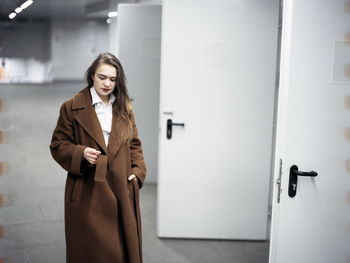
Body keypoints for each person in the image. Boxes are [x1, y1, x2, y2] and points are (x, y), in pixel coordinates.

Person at [50, 52, 146, 263]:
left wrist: (137, 173)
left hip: (121, 185)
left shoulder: (124, 107)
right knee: (93, 250)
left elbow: (134, 144)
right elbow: (58, 145)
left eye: (113, 79)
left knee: (120, 249)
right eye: (102, 77)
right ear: (92, 75)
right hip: (88, 187)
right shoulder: (71, 107)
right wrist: (80, 153)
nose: (107, 84)